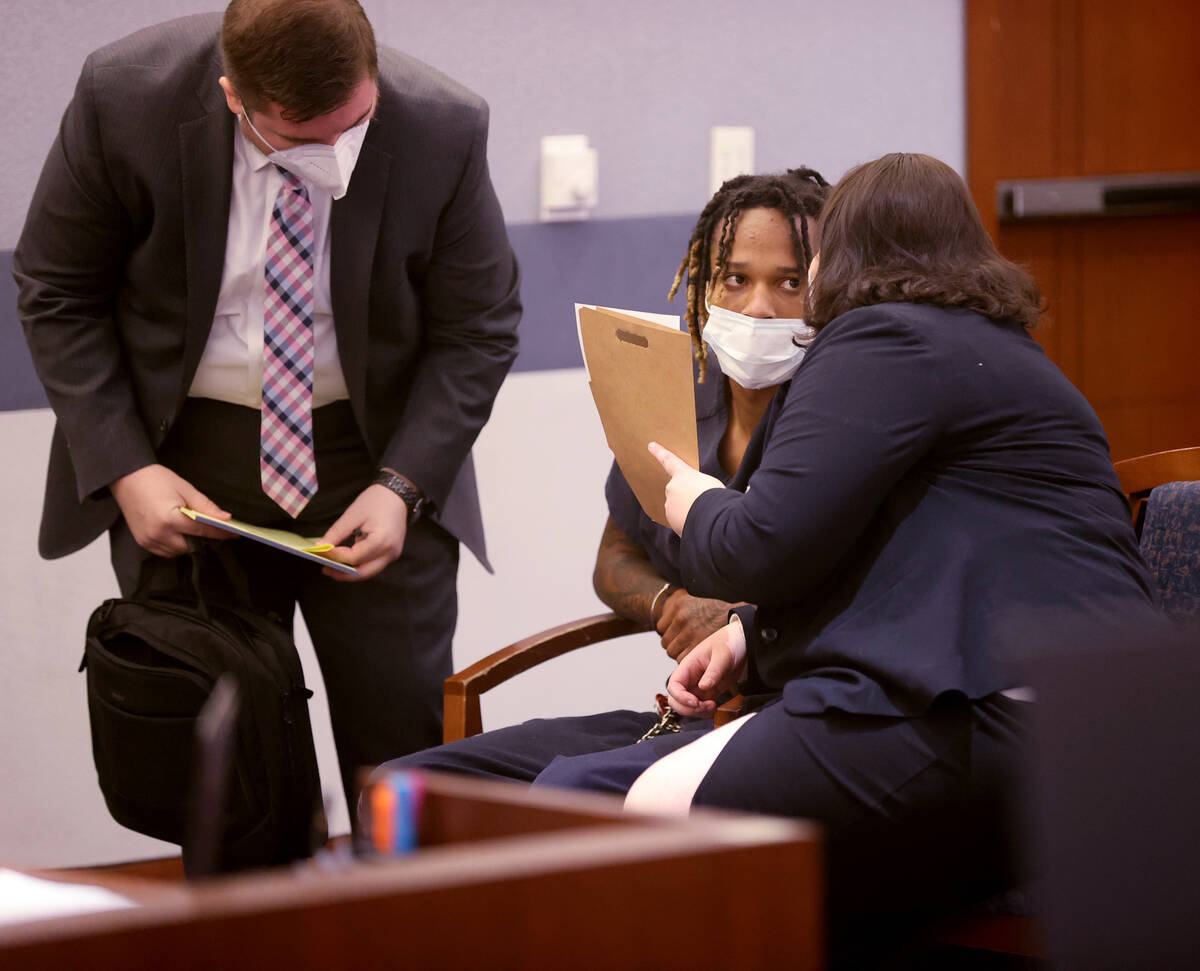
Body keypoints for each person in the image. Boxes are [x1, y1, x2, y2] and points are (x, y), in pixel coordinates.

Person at [542, 153, 1162, 962]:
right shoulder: (1014, 359)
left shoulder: (881, 335)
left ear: (846, 255)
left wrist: (691, 498)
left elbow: (754, 549)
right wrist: (744, 637)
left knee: (617, 809)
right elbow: (901, 556)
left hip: (980, 714)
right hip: (1101, 730)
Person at [13, 0, 521, 807]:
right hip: (181, 467)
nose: (334, 158)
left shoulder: (443, 125)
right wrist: (124, 470)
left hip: (371, 462)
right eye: (299, 140)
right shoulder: (126, 96)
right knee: (224, 772)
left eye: (352, 127)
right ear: (232, 96)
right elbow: (56, 292)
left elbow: (480, 329)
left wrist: (403, 487)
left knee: (402, 765)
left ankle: (397, 930)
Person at [376, 168, 830, 783]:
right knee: (410, 784)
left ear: (828, 289)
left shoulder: (836, 420)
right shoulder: (676, 401)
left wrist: (734, 624)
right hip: (687, 717)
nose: (757, 306)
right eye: (736, 279)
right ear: (702, 286)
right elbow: (613, 560)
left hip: (788, 719)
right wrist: (670, 601)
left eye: (789, 282)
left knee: (562, 793)